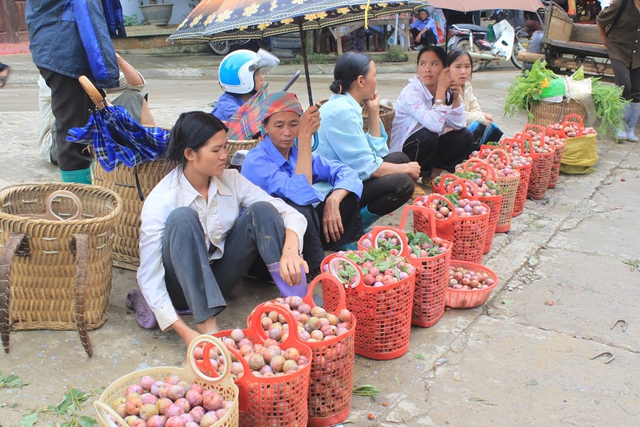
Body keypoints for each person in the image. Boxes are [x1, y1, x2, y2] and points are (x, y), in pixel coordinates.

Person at [133, 111, 308, 344]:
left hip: (218, 280)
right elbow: (149, 275)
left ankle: (298, 302)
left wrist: (291, 250)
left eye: (225, 147)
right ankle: (207, 327)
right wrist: (185, 333)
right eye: (216, 150)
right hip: (181, 291)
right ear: (190, 154)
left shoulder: (231, 180)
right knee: (183, 218)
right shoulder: (162, 200)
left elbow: (289, 213)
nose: (225, 156)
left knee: (263, 210)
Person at [241, 91, 364, 275]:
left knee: (350, 192)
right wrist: (305, 138)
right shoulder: (256, 161)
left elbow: (346, 172)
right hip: (265, 249)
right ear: (264, 127)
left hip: (298, 235)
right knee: (300, 204)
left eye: (294, 124)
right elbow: (300, 193)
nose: (288, 133)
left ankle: (344, 244)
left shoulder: (296, 153)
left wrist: (334, 200)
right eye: (279, 125)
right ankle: (317, 269)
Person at [315, 52, 420, 232]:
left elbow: (379, 154)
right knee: (403, 183)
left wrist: (373, 113)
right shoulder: (342, 111)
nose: (376, 80)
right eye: (374, 75)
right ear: (361, 81)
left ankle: (352, 225)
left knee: (399, 158)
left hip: (347, 178)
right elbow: (368, 167)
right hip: (330, 191)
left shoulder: (345, 105)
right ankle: (350, 231)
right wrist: (407, 169)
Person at [26, 0, 119, 184]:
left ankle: (94, 189)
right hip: (63, 49)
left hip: (72, 45)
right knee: (74, 133)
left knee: (92, 126)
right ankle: (80, 201)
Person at [389, 46, 475, 180]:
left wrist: (456, 98)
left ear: (444, 69)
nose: (427, 69)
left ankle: (432, 174)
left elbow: (459, 124)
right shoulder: (411, 92)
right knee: (428, 134)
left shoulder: (446, 89)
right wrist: (441, 90)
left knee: (466, 136)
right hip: (405, 151)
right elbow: (433, 125)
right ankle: (412, 179)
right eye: (422, 64)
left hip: (429, 144)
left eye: (434, 64)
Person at [596, 0, 640, 142]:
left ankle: (630, 128)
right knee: (624, 86)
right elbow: (601, 20)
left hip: (637, 53)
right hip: (618, 49)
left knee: (636, 90)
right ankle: (618, 125)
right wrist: (605, 42)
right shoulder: (622, 3)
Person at [447, 48, 504, 146]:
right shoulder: (447, 90)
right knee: (477, 126)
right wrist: (481, 116)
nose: (463, 72)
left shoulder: (467, 86)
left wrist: (480, 116)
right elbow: (458, 116)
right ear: (447, 68)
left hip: (464, 126)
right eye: (458, 67)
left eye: (467, 66)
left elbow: (476, 108)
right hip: (450, 133)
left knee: (491, 128)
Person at [211, 49, 280, 123]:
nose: (262, 78)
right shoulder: (229, 109)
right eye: (257, 74)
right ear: (243, 78)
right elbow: (255, 126)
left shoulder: (250, 100)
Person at [107, 53, 155, 126]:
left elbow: (138, 84)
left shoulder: (98, 70)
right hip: (87, 118)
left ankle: (151, 134)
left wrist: (118, 58)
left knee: (135, 96)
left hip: (105, 111)